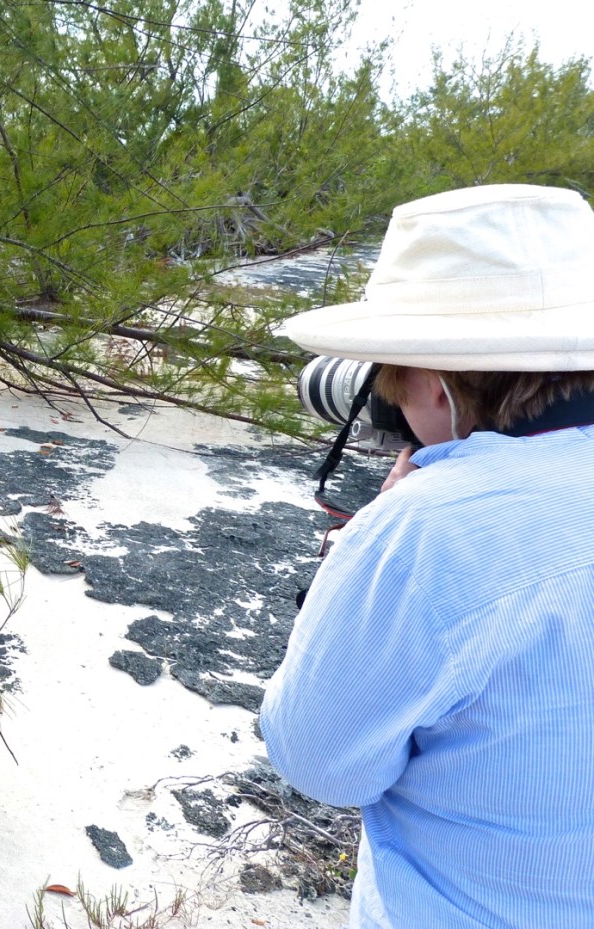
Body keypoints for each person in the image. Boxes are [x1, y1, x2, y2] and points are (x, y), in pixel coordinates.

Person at [259, 183, 594, 927]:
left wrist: (356, 549)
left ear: (438, 387)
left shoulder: (425, 534)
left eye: (391, 373)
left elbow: (319, 760)